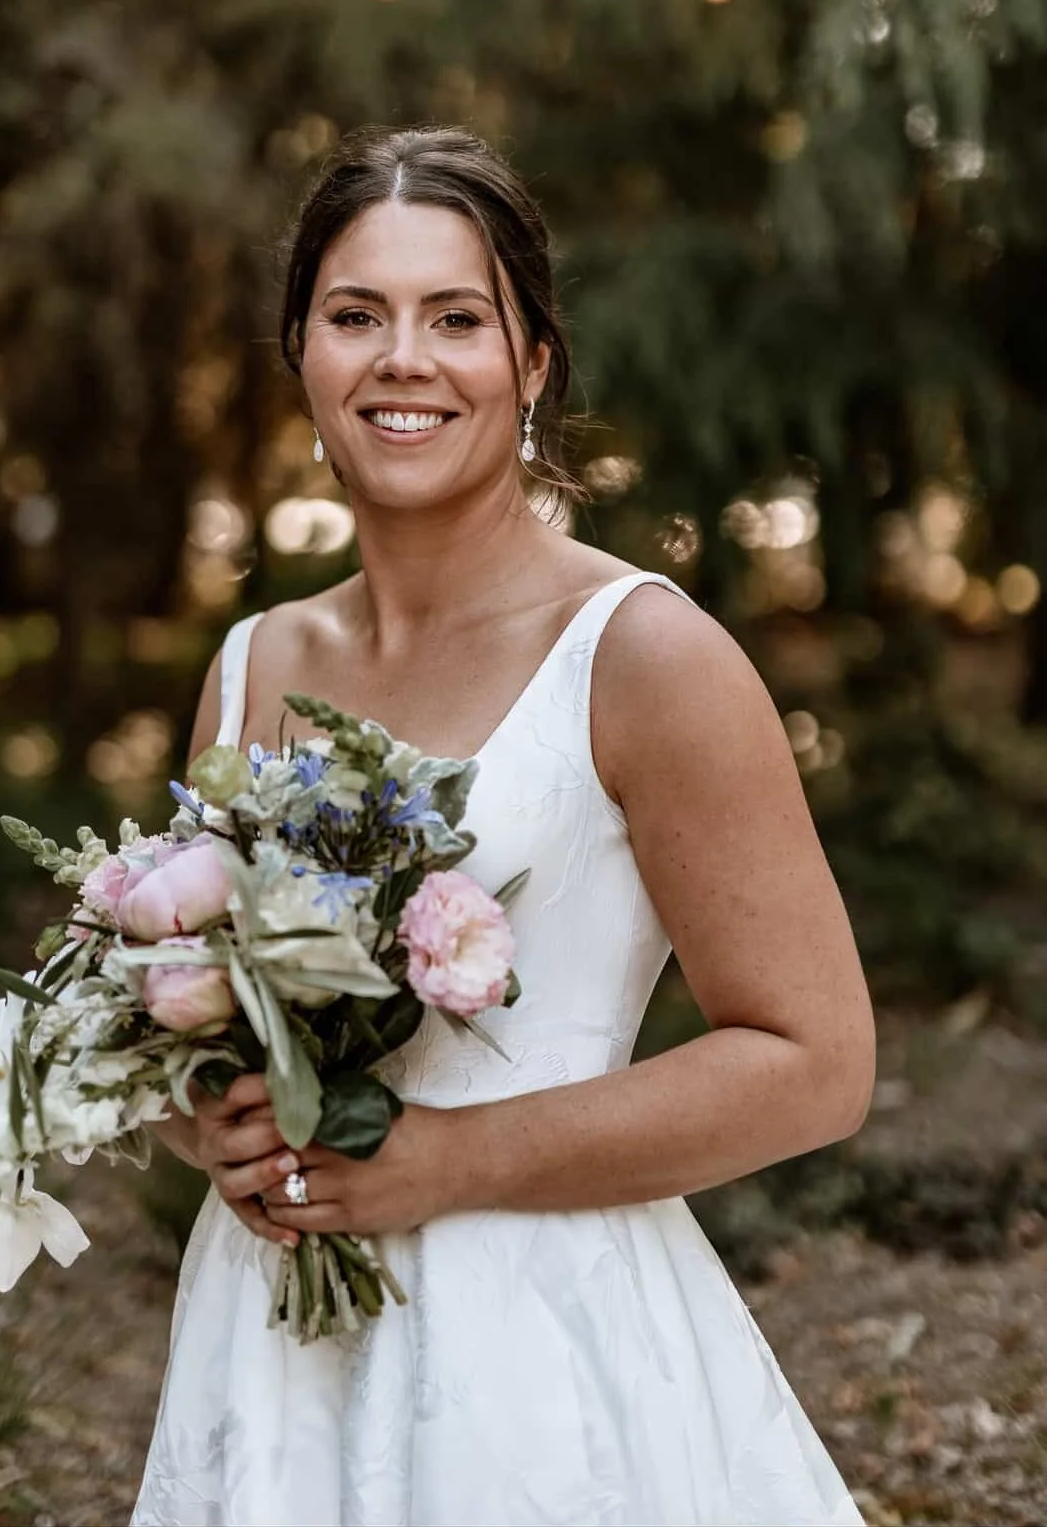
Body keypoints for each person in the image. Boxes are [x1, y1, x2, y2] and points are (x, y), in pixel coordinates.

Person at [132, 125, 875, 1527]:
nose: (401, 358)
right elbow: (189, 1022)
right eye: (355, 315)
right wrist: (212, 1124)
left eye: (456, 317)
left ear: (530, 365)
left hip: (548, 1357)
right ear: (302, 356)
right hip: (276, 1345)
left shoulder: (643, 655)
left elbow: (815, 1063)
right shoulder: (251, 665)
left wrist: (447, 1160)